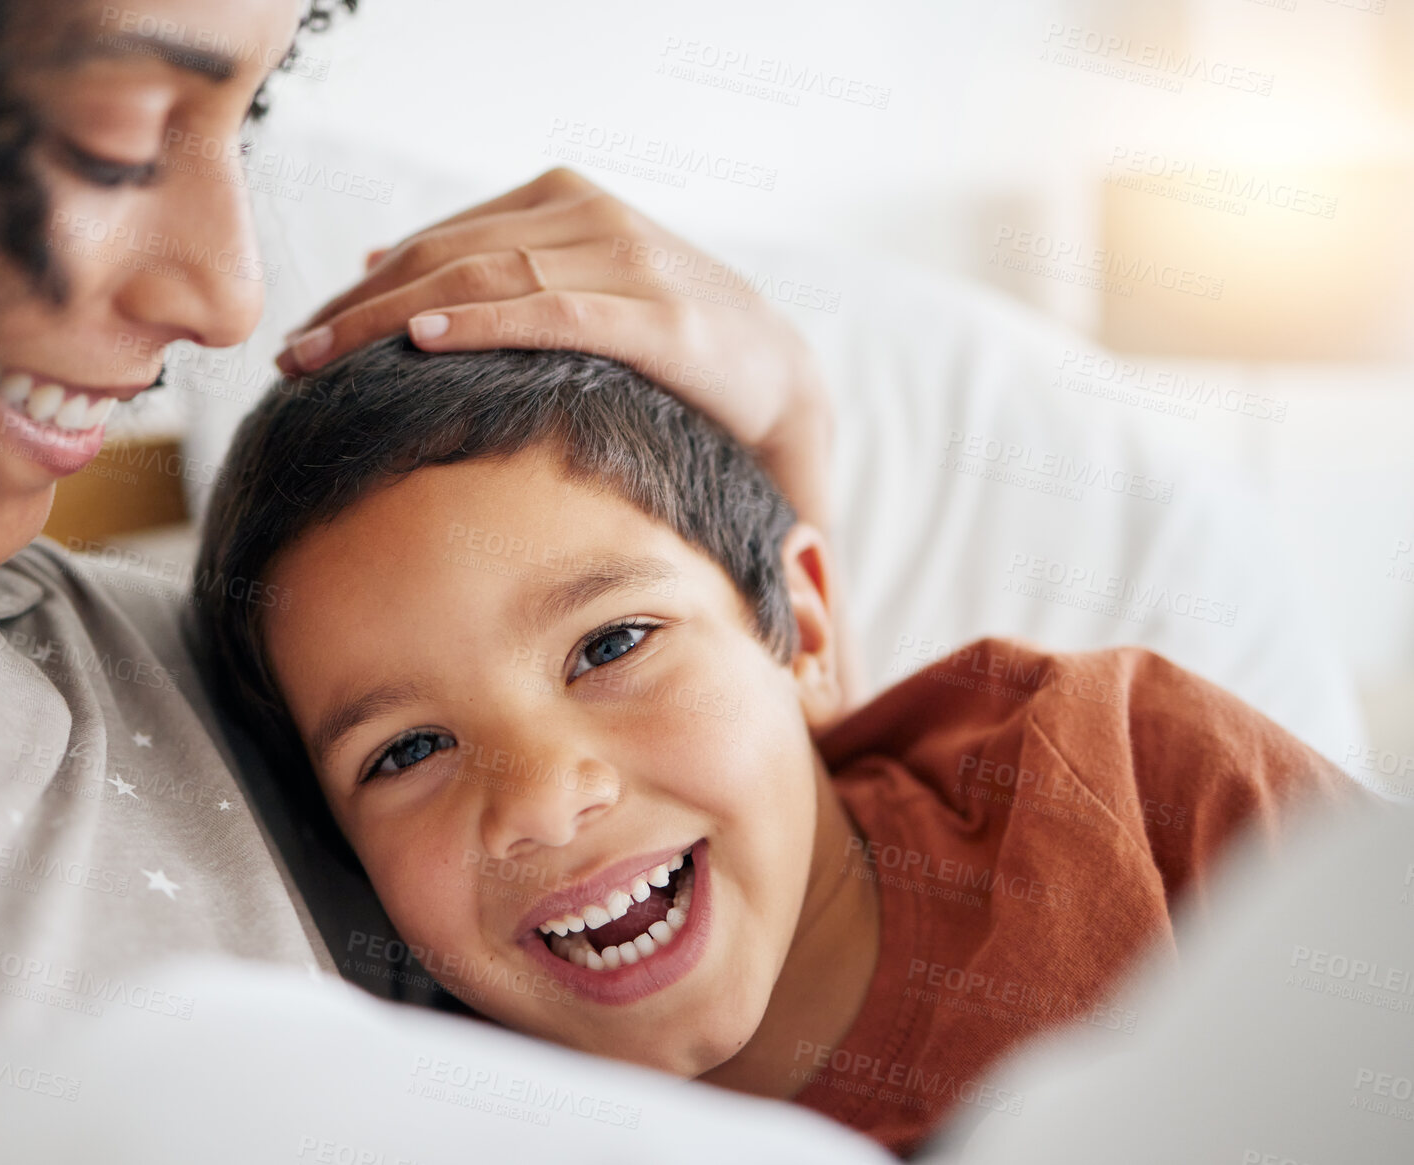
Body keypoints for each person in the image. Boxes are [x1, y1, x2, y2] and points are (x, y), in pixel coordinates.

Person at [0, 0, 836, 1097]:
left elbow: (764, 977)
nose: (229, 298)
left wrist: (788, 439)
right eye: (117, 138)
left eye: (247, 125)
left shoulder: (232, 686)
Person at [195, 337, 1367, 1156]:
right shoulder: (437, 1116)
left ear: (802, 628)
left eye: (611, 644)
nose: (545, 801)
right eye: (407, 752)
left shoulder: (1117, 761)